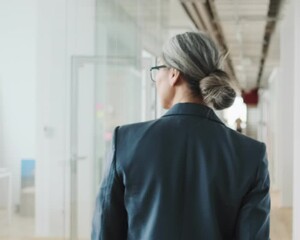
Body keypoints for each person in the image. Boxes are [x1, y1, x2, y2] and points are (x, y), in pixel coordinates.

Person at [91, 31, 270, 240]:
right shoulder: (251, 153)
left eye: (158, 69)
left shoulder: (125, 140)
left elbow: (106, 231)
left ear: (174, 74)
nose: (156, 79)